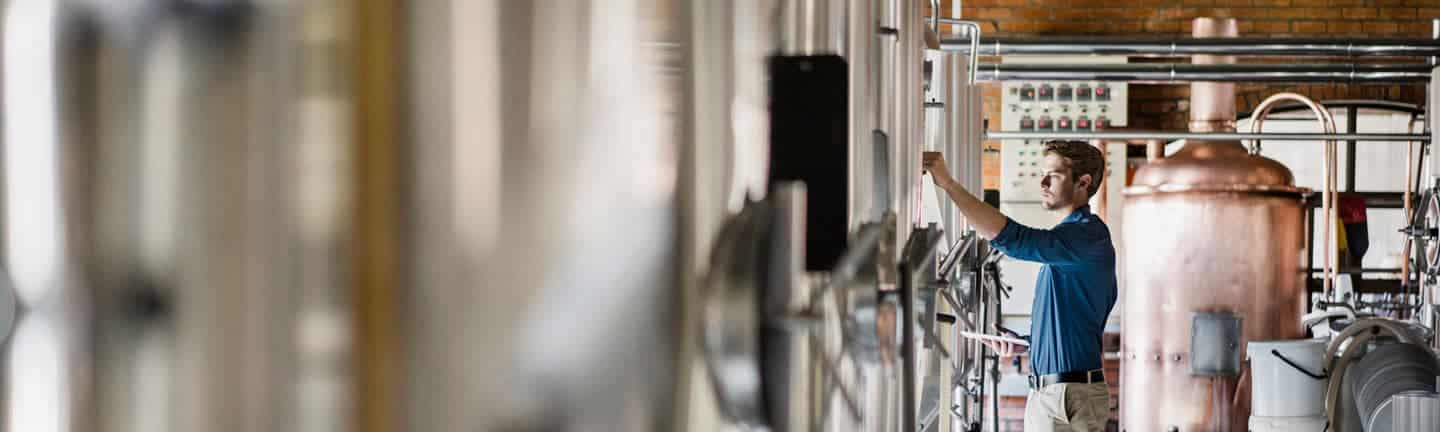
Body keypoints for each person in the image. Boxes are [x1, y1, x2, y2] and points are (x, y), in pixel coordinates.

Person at [922, 140, 1117, 432]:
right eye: (1042, 173)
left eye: (1054, 174)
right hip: (1060, 391)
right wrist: (1026, 342)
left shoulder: (1086, 236)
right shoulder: (1073, 240)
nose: (1042, 182)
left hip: (1066, 395)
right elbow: (1076, 323)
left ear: (1083, 182)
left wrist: (948, 184)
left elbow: (1014, 240)